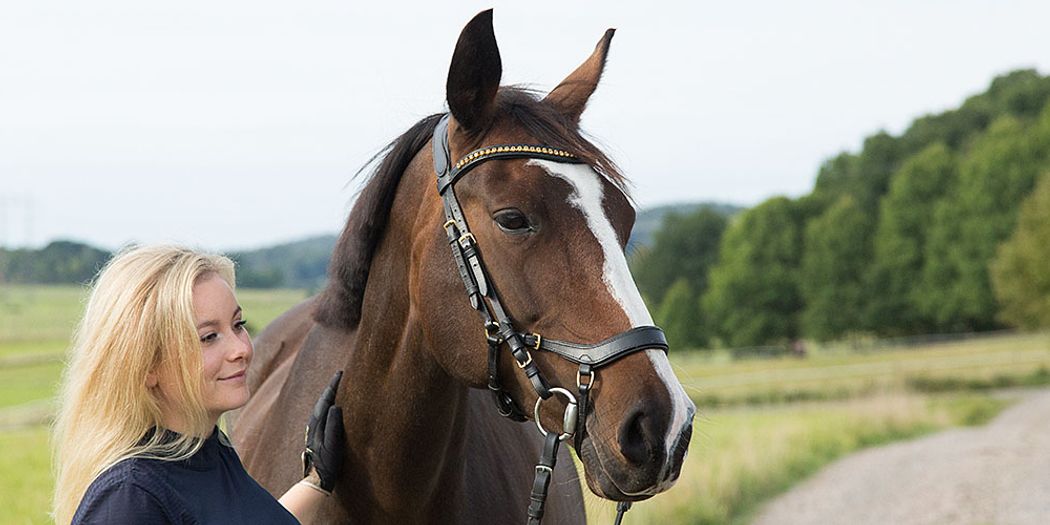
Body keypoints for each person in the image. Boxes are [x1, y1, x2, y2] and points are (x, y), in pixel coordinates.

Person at [51, 245, 346, 524]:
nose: (241, 349)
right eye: (208, 337)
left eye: (238, 325)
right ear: (147, 367)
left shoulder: (209, 452)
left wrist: (317, 479)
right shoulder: (128, 499)